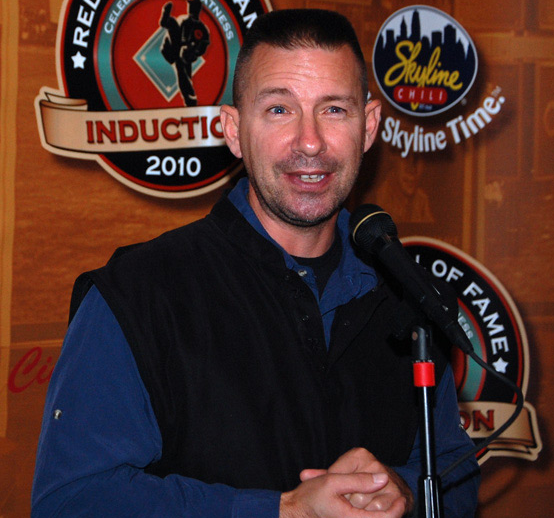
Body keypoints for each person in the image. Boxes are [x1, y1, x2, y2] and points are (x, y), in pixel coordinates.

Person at [32, 9, 479, 518]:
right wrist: (282, 510)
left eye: (334, 110)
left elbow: (457, 475)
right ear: (233, 129)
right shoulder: (139, 294)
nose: (309, 142)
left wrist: (405, 490)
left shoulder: (403, 296)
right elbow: (71, 501)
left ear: (369, 125)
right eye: (279, 110)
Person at [160, 0, 209, 106]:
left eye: (192, 7)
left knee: (182, 68)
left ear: (197, 9)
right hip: (175, 49)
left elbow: (203, 45)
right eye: (189, 6)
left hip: (187, 55)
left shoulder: (201, 28)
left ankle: (190, 98)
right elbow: (175, 34)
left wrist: (194, 51)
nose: (190, 9)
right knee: (172, 24)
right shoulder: (184, 21)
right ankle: (190, 98)